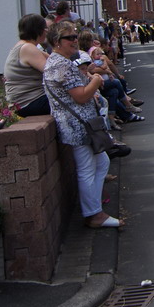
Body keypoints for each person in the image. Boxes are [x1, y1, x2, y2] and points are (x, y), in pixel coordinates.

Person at [42, 21, 124, 229]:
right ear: (57, 41)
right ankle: (94, 214)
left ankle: (94, 208)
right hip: (78, 126)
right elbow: (80, 96)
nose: (75, 40)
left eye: (75, 36)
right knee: (87, 169)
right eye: (70, 37)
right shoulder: (61, 65)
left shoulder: (59, 62)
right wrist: (95, 80)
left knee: (102, 163)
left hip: (82, 125)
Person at [4, 13, 51, 117]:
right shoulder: (28, 48)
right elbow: (53, 71)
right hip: (29, 103)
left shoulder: (24, 46)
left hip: (25, 102)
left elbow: (56, 61)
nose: (47, 31)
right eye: (45, 28)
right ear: (38, 30)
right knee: (73, 99)